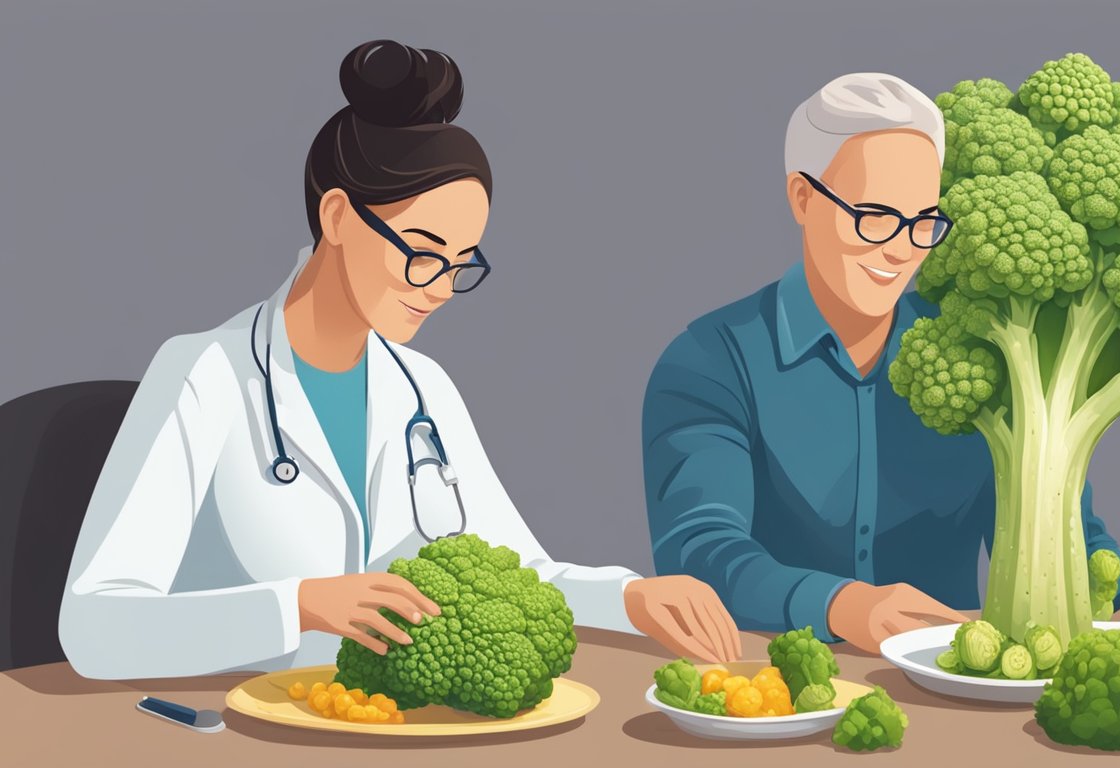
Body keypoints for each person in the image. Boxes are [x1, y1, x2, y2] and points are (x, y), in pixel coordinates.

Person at [59, 39, 740, 680]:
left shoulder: (423, 390)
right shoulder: (204, 375)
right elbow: (93, 626)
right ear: (336, 217)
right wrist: (298, 605)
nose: (441, 289)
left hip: (381, 726)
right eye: (421, 253)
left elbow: (517, 572)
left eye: (460, 264)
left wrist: (631, 598)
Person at [642, 72, 1120, 654]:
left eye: (922, 223)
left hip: (949, 697)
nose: (900, 248)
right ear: (803, 198)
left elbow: (1065, 537)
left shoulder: (987, 349)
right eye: (875, 216)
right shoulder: (710, 361)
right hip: (767, 691)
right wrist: (841, 605)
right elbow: (700, 550)